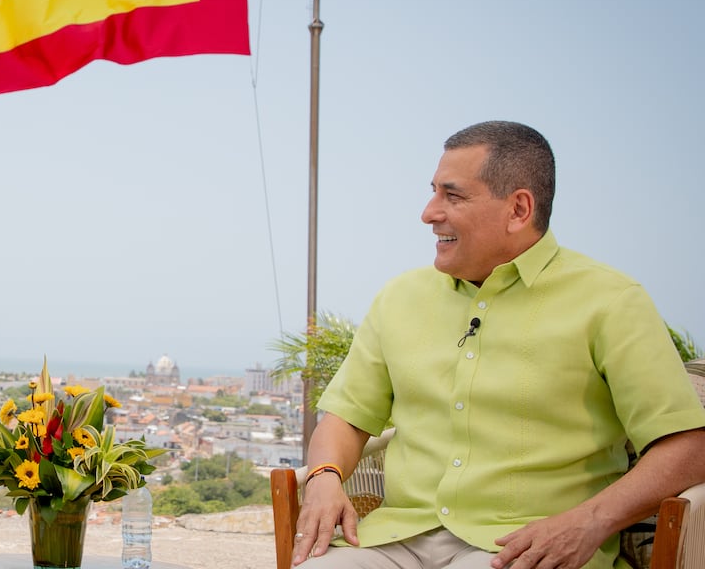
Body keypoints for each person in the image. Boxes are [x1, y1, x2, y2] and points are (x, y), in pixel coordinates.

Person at [293, 121, 705, 569]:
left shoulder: (612, 302)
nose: (429, 212)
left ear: (519, 209)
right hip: (394, 539)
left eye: (453, 196)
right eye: (433, 191)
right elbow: (346, 418)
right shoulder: (399, 297)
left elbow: (687, 447)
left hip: (527, 546)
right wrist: (323, 477)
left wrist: (589, 522)